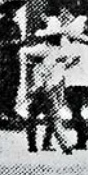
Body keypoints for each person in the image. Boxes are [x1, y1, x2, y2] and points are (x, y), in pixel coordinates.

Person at [19, 17, 72, 155]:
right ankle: (60, 144)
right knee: (53, 116)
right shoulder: (59, 50)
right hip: (51, 87)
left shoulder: (43, 49)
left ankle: (34, 145)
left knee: (35, 116)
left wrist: (31, 62)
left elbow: (24, 52)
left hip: (44, 87)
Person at [60, 16, 88, 151]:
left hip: (74, 81)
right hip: (86, 82)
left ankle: (84, 132)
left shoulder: (74, 48)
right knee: (77, 110)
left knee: (75, 111)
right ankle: (82, 140)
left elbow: (67, 63)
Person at [0, 0, 27, 123]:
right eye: (12, 9)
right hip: (5, 59)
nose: (14, 11)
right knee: (4, 85)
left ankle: (11, 110)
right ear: (6, 10)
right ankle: (2, 112)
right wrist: (13, 42)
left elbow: (19, 40)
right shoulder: (0, 25)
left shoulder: (15, 25)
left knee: (15, 84)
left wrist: (21, 42)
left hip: (15, 58)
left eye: (15, 9)